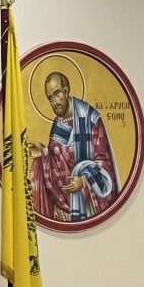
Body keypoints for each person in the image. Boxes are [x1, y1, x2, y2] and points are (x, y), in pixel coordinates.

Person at [29, 71, 120, 222]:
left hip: (90, 205)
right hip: (64, 208)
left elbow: (104, 163)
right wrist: (43, 152)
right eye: (50, 98)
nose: (54, 102)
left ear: (66, 91)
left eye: (57, 93)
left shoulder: (90, 119)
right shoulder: (58, 124)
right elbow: (56, 163)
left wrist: (84, 181)